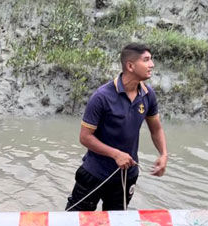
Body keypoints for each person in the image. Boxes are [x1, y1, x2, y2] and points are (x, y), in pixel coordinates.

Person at [65, 43, 169, 211]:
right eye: (146, 60)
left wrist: (163, 154)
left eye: (151, 59)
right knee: (75, 221)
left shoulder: (148, 95)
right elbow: (85, 137)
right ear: (130, 66)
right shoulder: (102, 97)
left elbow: (156, 128)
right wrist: (115, 154)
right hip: (95, 173)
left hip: (126, 176)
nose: (152, 64)